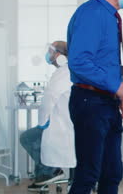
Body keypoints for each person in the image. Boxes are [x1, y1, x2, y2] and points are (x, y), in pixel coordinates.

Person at [67, 0, 123, 194]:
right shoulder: (92, 13)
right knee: (88, 174)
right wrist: (116, 86)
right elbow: (79, 62)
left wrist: (120, 97)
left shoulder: (109, 17)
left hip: (106, 102)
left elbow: (105, 63)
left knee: (112, 172)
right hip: (90, 101)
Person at [20, 41, 76, 192]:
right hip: (67, 123)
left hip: (63, 126)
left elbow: (48, 100)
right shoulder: (67, 70)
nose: (48, 55)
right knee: (39, 140)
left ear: (59, 55)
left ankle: (50, 171)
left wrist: (42, 123)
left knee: (27, 137)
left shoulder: (63, 72)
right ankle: (45, 174)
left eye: (51, 51)